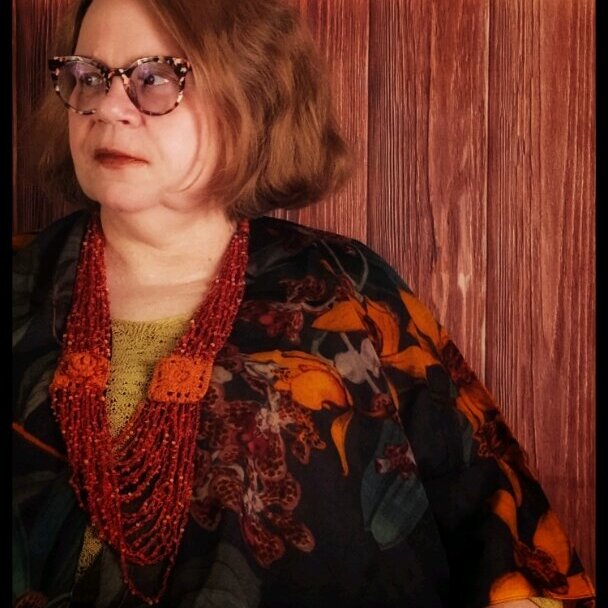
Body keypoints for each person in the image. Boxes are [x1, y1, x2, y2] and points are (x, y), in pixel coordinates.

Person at [12, 0, 595, 607]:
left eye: (154, 76)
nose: (108, 107)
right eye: (88, 76)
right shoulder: (23, 284)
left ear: (250, 95)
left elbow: (502, 535)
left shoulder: (346, 294)